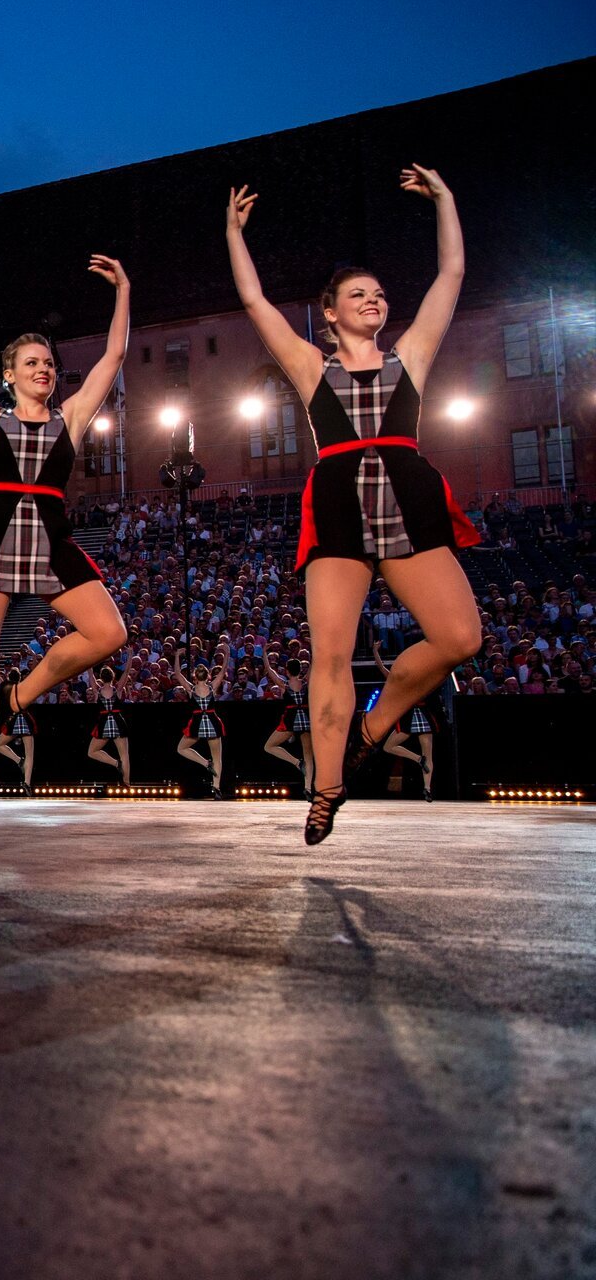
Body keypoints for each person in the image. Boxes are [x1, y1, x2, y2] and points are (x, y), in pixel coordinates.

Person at [226, 168, 483, 843]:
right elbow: (253, 302)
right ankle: (327, 787)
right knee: (330, 655)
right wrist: (234, 233)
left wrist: (446, 201)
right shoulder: (314, 368)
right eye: (356, 295)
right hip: (340, 502)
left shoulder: (410, 359)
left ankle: (376, 723)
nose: (374, 300)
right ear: (331, 313)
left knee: (461, 637)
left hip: (407, 496)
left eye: (378, 293)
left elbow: (450, 277)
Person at [0, 255, 131, 834]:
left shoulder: (71, 418)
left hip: (51, 537)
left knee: (109, 633)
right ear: (9, 374)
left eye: (50, 363)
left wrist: (123, 293)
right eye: (32, 362)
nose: (45, 369)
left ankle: (22, 694)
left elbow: (112, 358)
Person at [372, 631, 439, 801]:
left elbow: (381, 669)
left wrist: (375, 652)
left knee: (389, 747)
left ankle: (420, 767)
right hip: (419, 715)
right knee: (426, 754)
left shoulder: (405, 679)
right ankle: (427, 786)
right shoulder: (424, 677)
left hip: (414, 715)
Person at [172, 649, 226, 798]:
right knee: (217, 758)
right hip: (212, 723)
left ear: (195, 677)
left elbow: (177, 674)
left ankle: (205, 763)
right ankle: (216, 787)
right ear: (208, 676)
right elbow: (223, 672)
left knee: (181, 748)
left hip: (198, 724)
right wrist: (226, 655)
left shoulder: (191, 689)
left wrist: (177, 656)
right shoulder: (212, 687)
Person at [263, 653, 312, 794]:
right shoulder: (305, 682)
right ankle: (307, 787)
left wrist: (265, 654)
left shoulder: (284, 685)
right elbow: (314, 664)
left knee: (269, 746)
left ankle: (297, 762)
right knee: (308, 755)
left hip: (291, 720)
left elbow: (270, 671)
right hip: (305, 720)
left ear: (287, 671)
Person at [85, 665, 132, 786]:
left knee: (92, 752)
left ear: (101, 677)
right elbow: (126, 671)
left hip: (104, 724)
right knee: (124, 755)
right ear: (113, 677)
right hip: (118, 723)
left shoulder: (97, 691)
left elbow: (90, 674)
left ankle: (116, 763)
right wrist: (131, 654)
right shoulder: (118, 689)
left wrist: (89, 662)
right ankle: (126, 783)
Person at [0, 668, 37, 792]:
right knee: (29, 754)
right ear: (20, 678)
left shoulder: (6, 688)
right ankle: (27, 781)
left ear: (9, 678)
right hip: (25, 719)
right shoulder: (25, 688)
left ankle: (18, 760)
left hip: (14, 720)